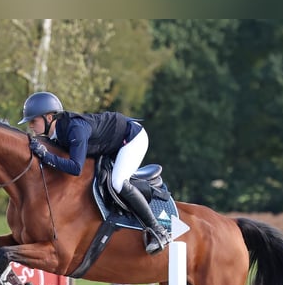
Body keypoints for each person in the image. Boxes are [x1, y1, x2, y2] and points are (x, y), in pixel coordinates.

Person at [18, 91, 171, 254]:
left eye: (33, 120)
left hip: (132, 138)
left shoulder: (75, 129)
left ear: (49, 117)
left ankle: (158, 230)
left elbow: (75, 168)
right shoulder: (56, 133)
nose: (30, 125)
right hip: (110, 145)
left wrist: (45, 156)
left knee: (117, 182)